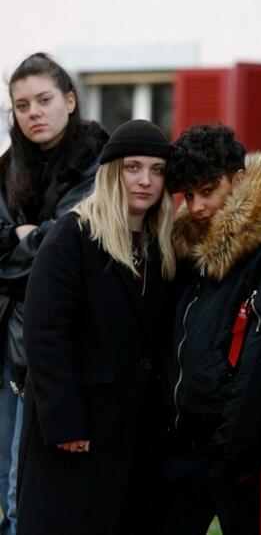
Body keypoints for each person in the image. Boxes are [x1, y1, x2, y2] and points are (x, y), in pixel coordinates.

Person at [16, 119, 175, 535]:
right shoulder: (73, 235)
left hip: (132, 430)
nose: (145, 180)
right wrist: (65, 422)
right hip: (77, 429)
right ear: (111, 173)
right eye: (133, 168)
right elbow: (45, 333)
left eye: (157, 170)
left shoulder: (161, 245)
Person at [161, 124, 261, 535]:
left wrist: (236, 446)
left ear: (237, 180)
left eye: (207, 190)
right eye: (188, 196)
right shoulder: (187, 245)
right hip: (181, 442)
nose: (197, 206)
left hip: (241, 449)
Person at [0, 52, 108, 534]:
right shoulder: (7, 169)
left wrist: (27, 239)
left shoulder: (98, 166)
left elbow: (61, 251)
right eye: (21, 105)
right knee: (6, 482)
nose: (33, 113)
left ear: (69, 100)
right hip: (7, 337)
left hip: (58, 346)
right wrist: (22, 238)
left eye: (43, 100)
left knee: (31, 490)